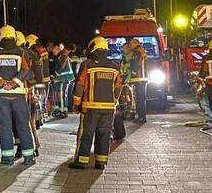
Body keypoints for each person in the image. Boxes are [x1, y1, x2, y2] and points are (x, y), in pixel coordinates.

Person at [0, 25, 36, 165]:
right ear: (13, 36)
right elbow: (26, 69)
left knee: (5, 126)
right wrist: (14, 83)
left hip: (1, 95)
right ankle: (29, 157)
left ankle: (7, 158)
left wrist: (1, 83)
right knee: (23, 125)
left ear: (1, 36)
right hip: (18, 95)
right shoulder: (21, 52)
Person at [70, 35, 123, 170]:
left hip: (90, 107)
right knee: (104, 135)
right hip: (108, 109)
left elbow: (80, 86)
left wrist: (76, 103)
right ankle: (101, 162)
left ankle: (82, 161)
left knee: (87, 134)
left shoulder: (87, 65)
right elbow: (118, 87)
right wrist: (114, 102)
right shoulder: (114, 66)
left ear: (93, 48)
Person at [125, 38, 148, 123]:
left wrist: (132, 71)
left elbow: (136, 65)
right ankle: (142, 116)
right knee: (141, 98)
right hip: (142, 78)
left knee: (139, 99)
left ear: (135, 43)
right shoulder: (142, 51)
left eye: (131, 44)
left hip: (139, 78)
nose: (130, 46)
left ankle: (141, 117)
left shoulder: (136, 52)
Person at [51, 42, 74, 118]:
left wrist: (57, 73)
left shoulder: (63, 55)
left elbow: (63, 65)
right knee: (58, 94)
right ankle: (59, 109)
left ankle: (63, 111)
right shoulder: (60, 55)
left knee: (61, 94)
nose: (52, 51)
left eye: (54, 49)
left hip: (64, 78)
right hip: (61, 78)